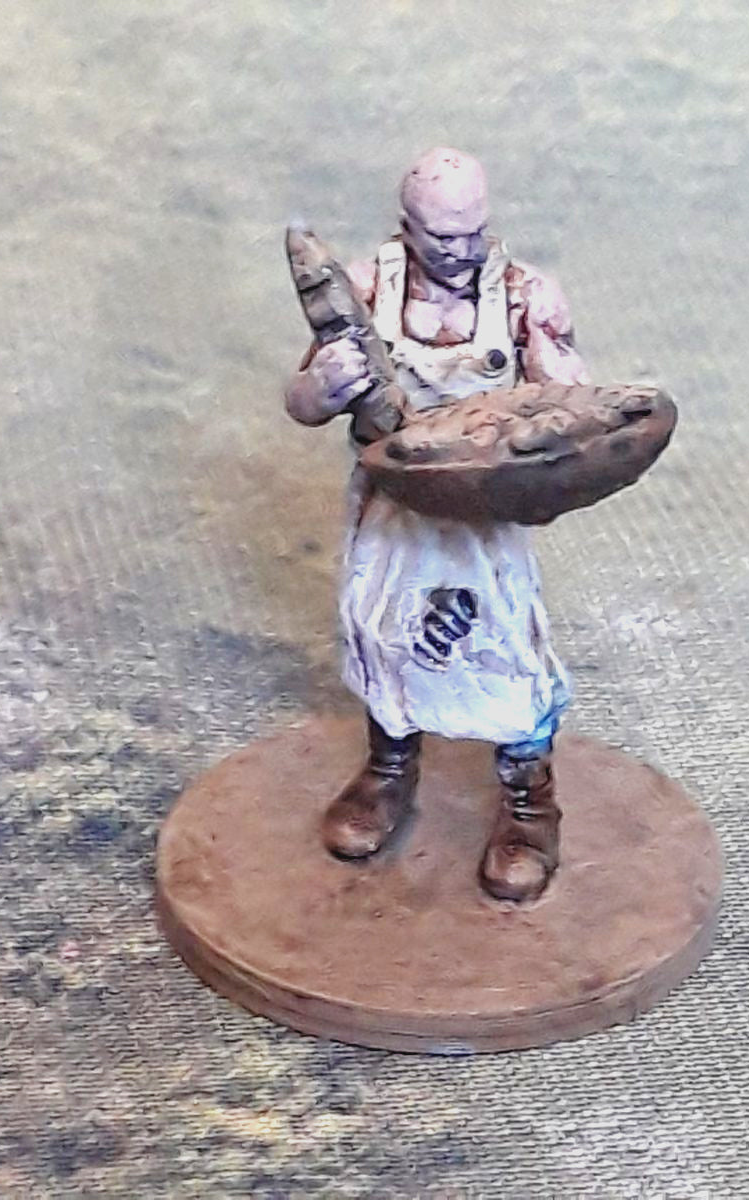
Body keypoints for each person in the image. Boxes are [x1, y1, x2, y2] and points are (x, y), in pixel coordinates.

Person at [285, 147, 590, 902]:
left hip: (483, 516)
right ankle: (388, 772)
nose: (460, 251)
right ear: (408, 226)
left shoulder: (522, 297)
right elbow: (301, 403)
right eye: (442, 237)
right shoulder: (366, 289)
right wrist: (326, 386)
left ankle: (530, 803)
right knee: (383, 636)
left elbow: (574, 411)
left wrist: (559, 410)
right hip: (392, 509)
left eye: (472, 233)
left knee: (508, 649)